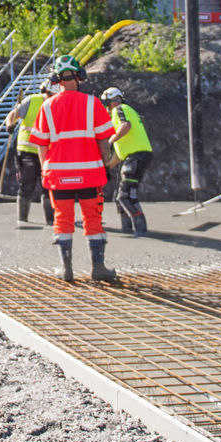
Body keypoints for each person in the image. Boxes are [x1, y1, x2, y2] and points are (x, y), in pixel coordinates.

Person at [28, 55, 117, 282]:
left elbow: (41, 144)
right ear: (80, 76)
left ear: (56, 79)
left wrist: (44, 169)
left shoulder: (47, 106)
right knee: (93, 218)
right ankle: (98, 269)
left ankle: (65, 269)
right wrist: (106, 162)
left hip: (59, 175)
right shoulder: (93, 103)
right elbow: (104, 140)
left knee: (62, 219)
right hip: (89, 174)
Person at [4, 79, 57, 226]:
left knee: (48, 187)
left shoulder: (58, 104)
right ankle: (23, 219)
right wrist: (10, 124)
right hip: (28, 150)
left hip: (48, 153)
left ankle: (51, 221)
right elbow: (12, 115)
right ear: (46, 91)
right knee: (27, 185)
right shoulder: (32, 101)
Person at [100, 87, 152, 237]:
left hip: (136, 156)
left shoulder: (120, 109)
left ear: (111, 101)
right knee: (119, 195)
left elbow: (126, 126)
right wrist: (107, 166)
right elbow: (118, 153)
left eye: (106, 103)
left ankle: (141, 229)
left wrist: (109, 141)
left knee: (126, 195)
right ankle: (126, 228)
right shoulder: (128, 110)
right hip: (134, 156)